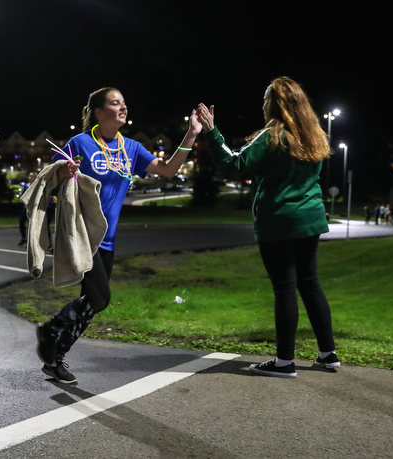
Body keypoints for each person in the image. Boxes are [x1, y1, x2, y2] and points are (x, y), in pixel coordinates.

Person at [36, 87, 202, 384]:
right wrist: (63, 172)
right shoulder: (81, 143)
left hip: (108, 237)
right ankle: (52, 329)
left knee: (91, 301)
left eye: (124, 102)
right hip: (82, 234)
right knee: (100, 299)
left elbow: (167, 169)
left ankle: (54, 357)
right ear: (99, 113)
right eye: (115, 103)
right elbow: (51, 180)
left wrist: (191, 134)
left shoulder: (132, 148)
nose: (123, 107)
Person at [196, 76, 339, 378]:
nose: (262, 106)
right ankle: (328, 355)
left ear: (277, 104)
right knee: (310, 283)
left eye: (265, 100)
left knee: (284, 288)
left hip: (279, 222)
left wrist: (211, 132)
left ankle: (284, 362)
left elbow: (233, 166)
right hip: (310, 218)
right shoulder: (313, 136)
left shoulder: (272, 136)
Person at [18, 172, 37, 245]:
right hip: (26, 207)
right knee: (21, 221)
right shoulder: (26, 186)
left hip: (34, 207)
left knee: (32, 224)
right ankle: (24, 238)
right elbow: (23, 195)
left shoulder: (37, 186)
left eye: (32, 176)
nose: (29, 178)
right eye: (29, 176)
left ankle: (32, 241)